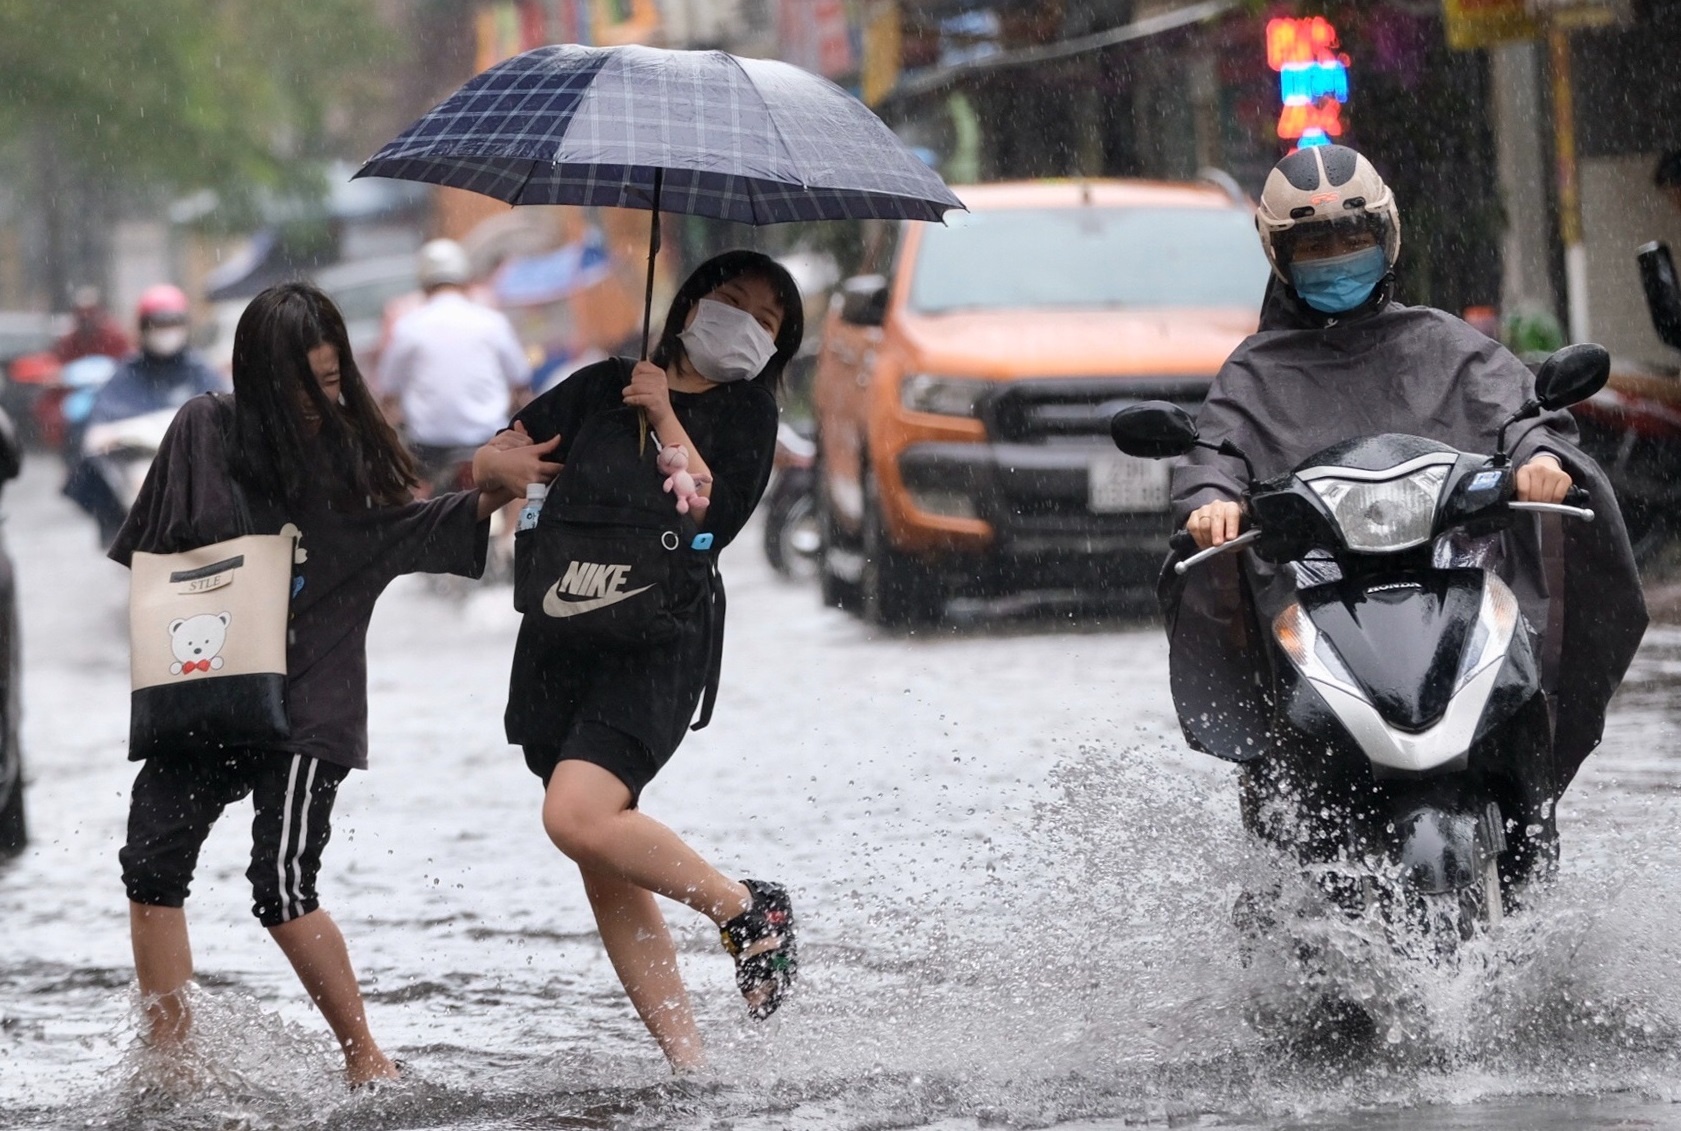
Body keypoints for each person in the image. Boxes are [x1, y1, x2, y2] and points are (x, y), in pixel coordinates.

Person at [108, 282, 554, 1086]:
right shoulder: (201, 430)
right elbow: (155, 563)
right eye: (303, 385)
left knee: (279, 883)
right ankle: (170, 1067)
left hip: (309, 699)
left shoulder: (352, 453)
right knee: (149, 863)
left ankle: (366, 1061)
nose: (322, 399)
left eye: (333, 378)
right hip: (208, 689)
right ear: (256, 376)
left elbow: (408, 530)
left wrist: (485, 482)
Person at [1166, 144, 1645, 875]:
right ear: (1279, 255)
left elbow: (1519, 414)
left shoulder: (1446, 345)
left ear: (1385, 237)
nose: (1337, 257)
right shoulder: (1252, 374)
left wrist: (1539, 462)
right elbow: (1215, 454)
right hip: (1315, 595)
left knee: (1519, 678)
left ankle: (1524, 811)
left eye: (1351, 238)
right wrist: (1212, 504)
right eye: (1315, 244)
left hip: (1448, 575)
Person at [472, 250, 802, 1072]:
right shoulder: (601, 385)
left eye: (767, 320)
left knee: (575, 817)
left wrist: (663, 413)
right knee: (599, 846)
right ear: (690, 301)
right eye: (732, 300)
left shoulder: (746, 414)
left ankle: (745, 908)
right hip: (562, 632)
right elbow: (501, 453)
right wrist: (495, 466)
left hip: (655, 643)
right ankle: (687, 1064)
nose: (745, 323)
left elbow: (712, 514)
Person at [64, 285, 223, 544]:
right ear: (143, 326)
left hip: (197, 481)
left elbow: (225, 419)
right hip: (139, 490)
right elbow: (96, 435)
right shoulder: (125, 375)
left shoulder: (200, 371)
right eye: (158, 324)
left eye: (172, 323)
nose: (165, 332)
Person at [378, 239, 530, 492]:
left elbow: (388, 389)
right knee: (525, 486)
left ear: (424, 282)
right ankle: (510, 532)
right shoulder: (492, 322)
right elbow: (520, 379)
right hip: (490, 441)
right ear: (465, 279)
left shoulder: (408, 328)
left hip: (430, 448)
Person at [54, 285, 131, 363]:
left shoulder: (113, 338)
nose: (87, 322)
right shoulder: (69, 343)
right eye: (82, 318)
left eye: (90, 314)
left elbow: (125, 362)